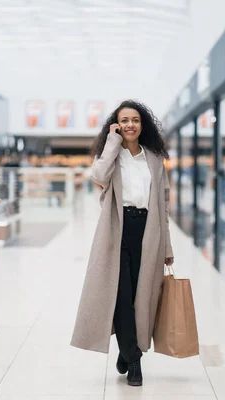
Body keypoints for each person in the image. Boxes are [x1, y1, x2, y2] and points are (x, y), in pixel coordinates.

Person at [71, 100, 174, 387]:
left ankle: (126, 350)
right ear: (116, 125)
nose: (130, 125)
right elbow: (98, 176)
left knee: (140, 297)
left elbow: (163, 205)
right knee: (121, 296)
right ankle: (134, 359)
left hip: (148, 231)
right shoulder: (112, 154)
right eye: (124, 120)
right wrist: (112, 141)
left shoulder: (154, 159)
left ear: (144, 125)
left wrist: (167, 247)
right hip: (117, 230)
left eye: (135, 120)